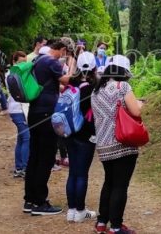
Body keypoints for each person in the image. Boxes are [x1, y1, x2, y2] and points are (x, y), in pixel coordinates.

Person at [23, 39, 76, 215]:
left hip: (35, 111)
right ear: (61, 50)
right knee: (46, 157)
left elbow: (54, 84)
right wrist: (74, 66)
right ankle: (40, 202)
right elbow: (67, 80)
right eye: (65, 53)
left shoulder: (38, 60)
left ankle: (29, 199)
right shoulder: (52, 62)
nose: (64, 56)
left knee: (34, 156)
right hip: (47, 113)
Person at [91, 55, 141, 234]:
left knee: (109, 183)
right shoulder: (123, 87)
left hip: (103, 144)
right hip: (122, 143)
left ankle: (102, 222)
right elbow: (135, 110)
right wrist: (140, 104)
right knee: (120, 185)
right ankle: (117, 227)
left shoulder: (96, 90)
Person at [65, 51, 98, 223]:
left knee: (72, 172)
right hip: (86, 135)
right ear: (94, 67)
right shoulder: (94, 88)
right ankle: (80, 210)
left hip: (70, 132)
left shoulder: (72, 83)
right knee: (82, 174)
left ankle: (71, 210)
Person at [7, 51, 30, 178]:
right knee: (27, 137)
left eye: (24, 62)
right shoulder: (12, 75)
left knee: (21, 138)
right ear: (14, 62)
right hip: (17, 109)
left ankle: (19, 166)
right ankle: (25, 167)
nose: (23, 65)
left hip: (21, 109)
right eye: (21, 62)